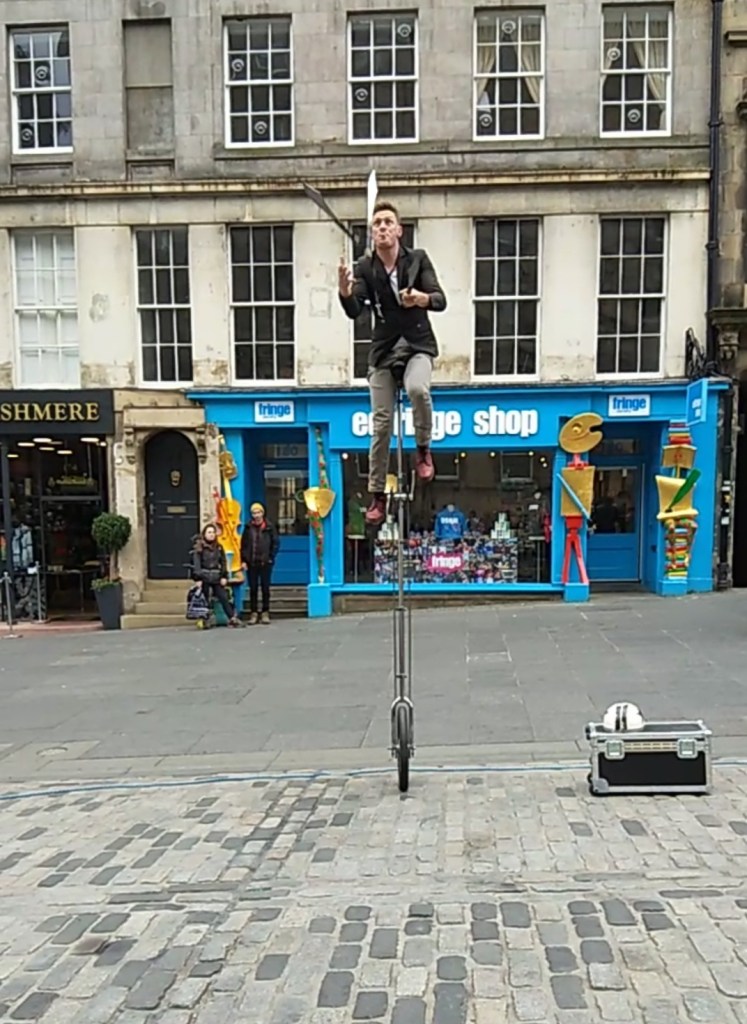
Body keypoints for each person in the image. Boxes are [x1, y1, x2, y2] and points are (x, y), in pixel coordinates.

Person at [338, 199, 447, 526]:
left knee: (418, 390)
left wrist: (420, 299)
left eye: (388, 222)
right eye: (377, 224)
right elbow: (355, 310)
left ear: (399, 230)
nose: (382, 227)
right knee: (381, 423)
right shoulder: (365, 267)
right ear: (372, 233)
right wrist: (345, 291)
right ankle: (377, 494)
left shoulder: (418, 259)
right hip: (384, 351)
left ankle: (423, 450)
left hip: (417, 345)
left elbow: (440, 300)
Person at [191, 524, 243, 627]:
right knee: (205, 598)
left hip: (216, 577)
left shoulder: (219, 547)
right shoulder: (199, 549)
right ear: (204, 534)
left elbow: (223, 562)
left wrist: (224, 576)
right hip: (204, 577)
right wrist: (198, 578)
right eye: (209, 532)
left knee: (224, 597)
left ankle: (232, 618)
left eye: (213, 532)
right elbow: (196, 564)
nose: (211, 534)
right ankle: (205, 619)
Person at [240, 502, 279, 625]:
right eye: (254, 513)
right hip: (251, 563)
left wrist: (271, 557)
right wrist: (244, 560)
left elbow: (275, 543)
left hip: (265, 563)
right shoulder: (248, 528)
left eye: (258, 512)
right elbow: (243, 545)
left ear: (262, 513)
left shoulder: (269, 527)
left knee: (265, 588)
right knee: (253, 588)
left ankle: (265, 612)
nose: (256, 515)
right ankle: (254, 613)